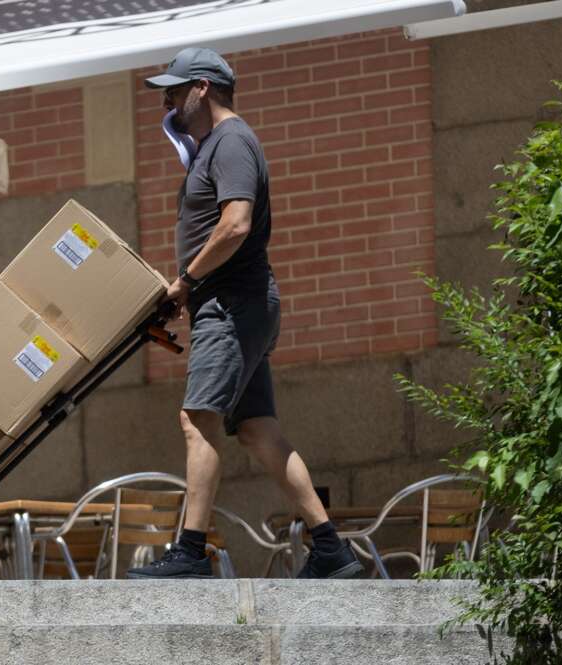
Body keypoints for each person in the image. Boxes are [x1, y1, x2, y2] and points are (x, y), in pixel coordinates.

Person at [127, 47, 362, 580]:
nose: (166, 100)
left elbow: (234, 224)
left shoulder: (231, 141)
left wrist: (186, 281)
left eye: (174, 89)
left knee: (197, 420)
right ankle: (330, 548)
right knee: (257, 431)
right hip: (239, 302)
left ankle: (189, 553)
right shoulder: (217, 144)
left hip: (232, 304)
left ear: (203, 87)